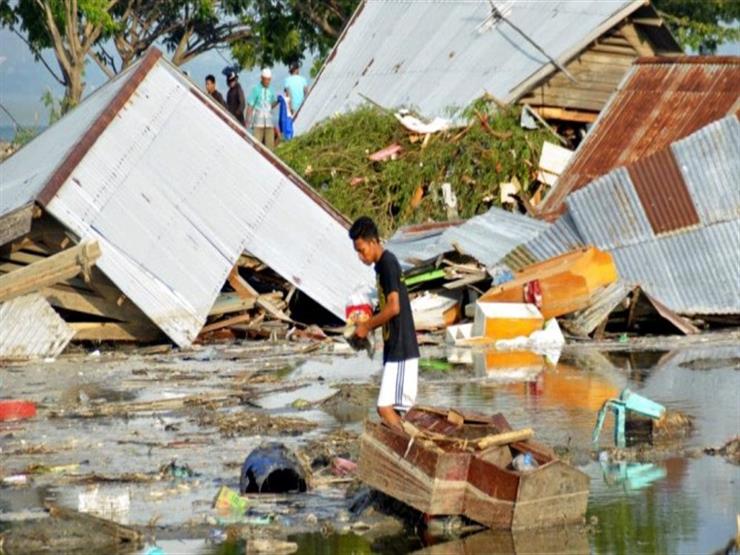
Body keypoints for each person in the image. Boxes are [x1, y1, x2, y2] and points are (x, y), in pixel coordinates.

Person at [350, 216, 419, 431]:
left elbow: (394, 307)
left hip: (402, 348)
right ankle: (407, 452)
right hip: (394, 348)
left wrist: (367, 326)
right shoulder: (381, 267)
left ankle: (409, 455)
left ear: (373, 242)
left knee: (386, 408)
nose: (361, 257)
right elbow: (387, 307)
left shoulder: (388, 263)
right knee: (393, 411)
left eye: (362, 250)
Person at [246, 68, 278, 149]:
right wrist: (247, 121)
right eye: (266, 80)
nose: (267, 82)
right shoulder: (256, 89)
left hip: (269, 121)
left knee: (270, 146)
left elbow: (271, 105)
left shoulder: (271, 90)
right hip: (258, 122)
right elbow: (250, 106)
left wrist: (277, 101)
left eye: (269, 80)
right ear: (262, 78)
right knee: (256, 145)